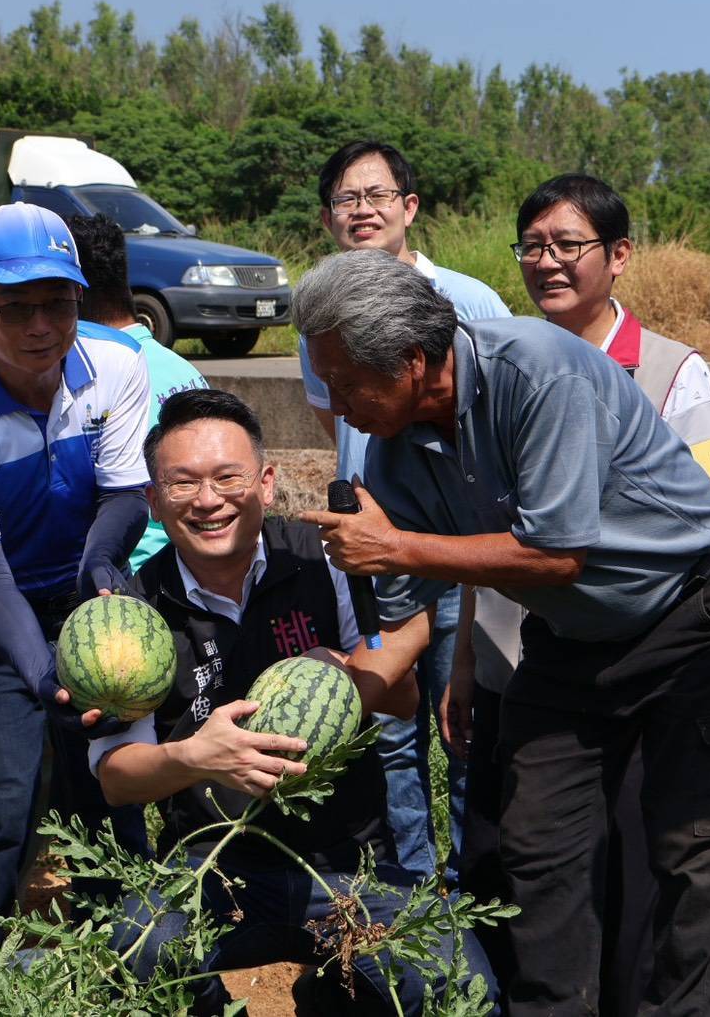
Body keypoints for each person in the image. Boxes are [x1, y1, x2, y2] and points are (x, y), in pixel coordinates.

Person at [296, 248, 710, 1015]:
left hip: (688, 615)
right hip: (570, 636)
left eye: (346, 383)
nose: (337, 407)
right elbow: (407, 619)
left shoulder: (537, 369)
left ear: (412, 359)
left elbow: (557, 550)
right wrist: (329, 692)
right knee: (537, 845)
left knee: (691, 851)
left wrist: (398, 547)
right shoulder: (396, 450)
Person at [94, 388, 495, 1015]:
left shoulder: (324, 562)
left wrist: (343, 683)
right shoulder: (132, 616)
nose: (208, 501)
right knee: (138, 954)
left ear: (268, 483)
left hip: (351, 865)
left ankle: (331, 994)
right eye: (183, 484)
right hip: (214, 870)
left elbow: (403, 693)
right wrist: (198, 757)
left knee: (456, 985)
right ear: (152, 500)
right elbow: (116, 778)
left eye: (229, 477)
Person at [444, 173, 710, 1008]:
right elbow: (472, 533)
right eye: (531, 246)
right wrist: (463, 658)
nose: (547, 262)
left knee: (637, 859)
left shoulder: (673, 369)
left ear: (618, 256)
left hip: (641, 649)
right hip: (519, 656)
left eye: (567, 245)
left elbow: (707, 520)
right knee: (526, 860)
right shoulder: (494, 364)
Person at [0, 202, 152, 932]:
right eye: (16, 309)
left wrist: (100, 561)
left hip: (86, 594)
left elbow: (125, 495)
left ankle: (124, 950)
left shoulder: (116, 364)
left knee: (109, 783)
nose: (41, 325)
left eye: (58, 303)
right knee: (5, 793)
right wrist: (46, 675)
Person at [297, 140, 510, 885]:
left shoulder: (469, 299)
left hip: (456, 542)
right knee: (390, 714)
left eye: (377, 195)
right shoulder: (318, 309)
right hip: (368, 534)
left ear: (408, 207)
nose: (363, 211)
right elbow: (339, 421)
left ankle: (469, 879)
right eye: (347, 200)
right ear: (328, 218)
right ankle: (406, 878)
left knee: (464, 713)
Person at [66, 214, 205, 573]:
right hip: (188, 572)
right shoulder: (186, 372)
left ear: (72, 293)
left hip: (131, 582)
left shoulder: (94, 380)